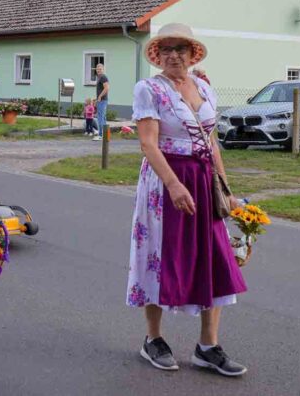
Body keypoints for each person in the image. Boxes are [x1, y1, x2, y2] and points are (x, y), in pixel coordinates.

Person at [127, 23, 248, 377]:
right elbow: (148, 143)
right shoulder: (148, 89)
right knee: (160, 256)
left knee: (215, 256)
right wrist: (174, 185)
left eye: (181, 48)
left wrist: (224, 188)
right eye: (167, 49)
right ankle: (153, 339)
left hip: (203, 179)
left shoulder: (205, 88)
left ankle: (207, 346)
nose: (174, 55)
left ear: (193, 53)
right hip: (165, 181)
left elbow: (212, 142)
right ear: (157, 55)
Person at [94, 63, 109, 141]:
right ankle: (106, 135)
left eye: (100, 69)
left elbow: (106, 88)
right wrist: (96, 98)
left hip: (102, 100)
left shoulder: (103, 77)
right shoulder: (99, 77)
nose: (98, 70)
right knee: (103, 117)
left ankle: (101, 135)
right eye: (97, 69)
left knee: (100, 117)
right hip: (101, 100)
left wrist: (99, 96)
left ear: (103, 69)